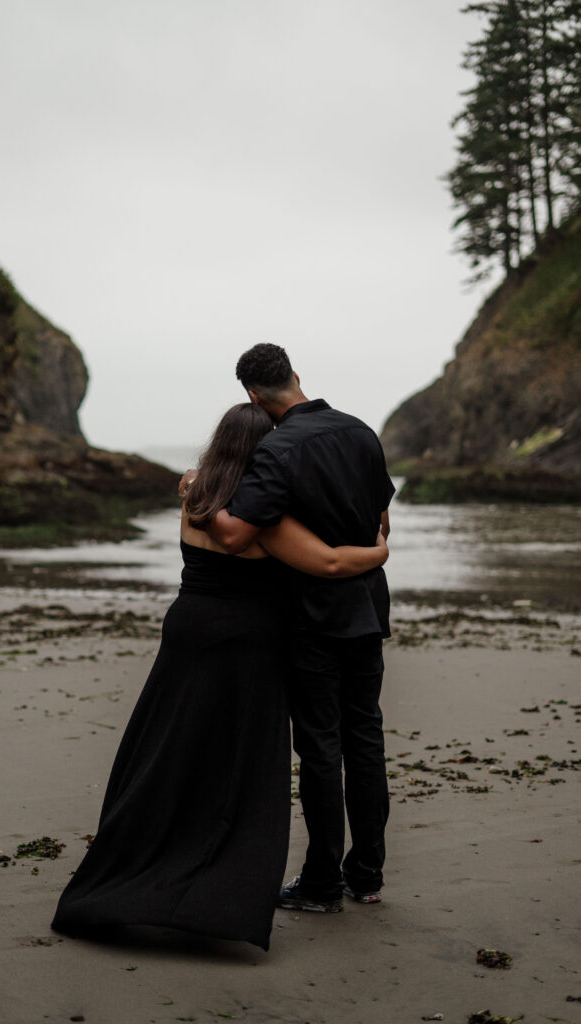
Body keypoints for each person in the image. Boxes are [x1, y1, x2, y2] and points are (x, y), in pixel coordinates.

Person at [51, 403, 388, 951]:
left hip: (187, 628)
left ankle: (132, 859)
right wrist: (379, 550)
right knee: (237, 767)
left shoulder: (193, 491)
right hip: (247, 644)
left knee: (167, 749)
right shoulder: (265, 519)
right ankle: (219, 885)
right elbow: (328, 563)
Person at [205, 344, 395, 914]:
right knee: (366, 739)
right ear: (295, 375)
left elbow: (237, 535)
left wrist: (198, 495)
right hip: (366, 606)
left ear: (253, 396)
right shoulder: (361, 431)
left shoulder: (277, 449)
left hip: (312, 616)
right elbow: (382, 517)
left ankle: (319, 885)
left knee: (320, 748)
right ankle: (365, 874)